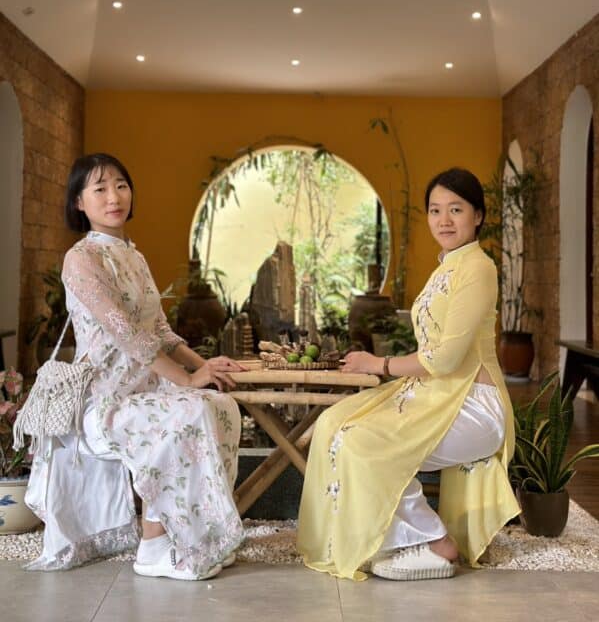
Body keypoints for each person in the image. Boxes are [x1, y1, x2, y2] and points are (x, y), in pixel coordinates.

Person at [25, 153, 247, 580]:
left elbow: (160, 330)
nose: (114, 197)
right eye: (100, 188)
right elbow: (125, 333)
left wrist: (206, 366)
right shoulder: (81, 259)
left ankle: (199, 538)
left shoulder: (134, 256)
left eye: (121, 185)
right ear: (79, 202)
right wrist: (187, 379)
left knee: (221, 406)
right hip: (104, 399)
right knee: (186, 412)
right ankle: (152, 545)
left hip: (148, 389)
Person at [297, 167, 520, 581]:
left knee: (362, 442)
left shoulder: (478, 268)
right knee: (334, 424)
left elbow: (445, 359)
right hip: (437, 395)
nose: (444, 220)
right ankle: (389, 538)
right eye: (435, 210)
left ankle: (435, 542)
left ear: (478, 216)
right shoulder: (447, 267)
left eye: (456, 209)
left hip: (475, 406)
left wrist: (378, 365)